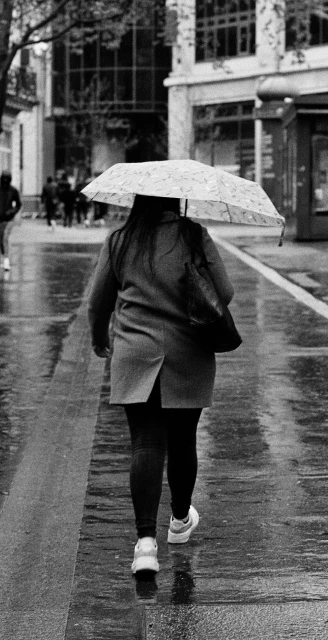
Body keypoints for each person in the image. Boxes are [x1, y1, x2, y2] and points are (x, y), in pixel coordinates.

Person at [88, 194, 234, 576]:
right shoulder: (193, 235)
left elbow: (97, 301)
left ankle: (145, 545)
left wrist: (99, 338)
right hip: (188, 352)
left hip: (136, 353)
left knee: (147, 443)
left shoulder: (120, 239)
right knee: (183, 440)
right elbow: (226, 293)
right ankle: (181, 520)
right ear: (176, 198)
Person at [0, 171, 22, 271]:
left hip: (9, 219)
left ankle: (6, 259)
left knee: (5, 237)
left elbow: (18, 204)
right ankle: (3, 256)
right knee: (1, 239)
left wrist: (12, 212)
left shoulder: (13, 190)